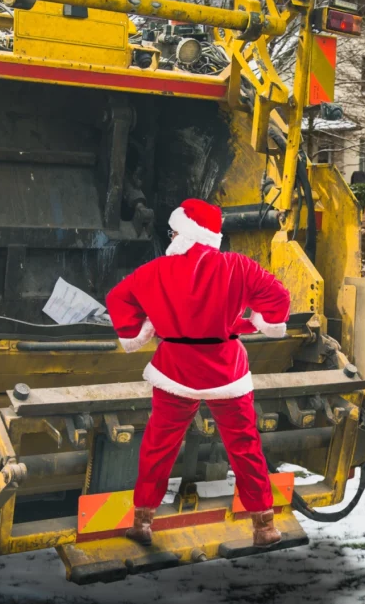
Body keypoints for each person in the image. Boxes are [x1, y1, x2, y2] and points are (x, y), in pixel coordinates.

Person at [105, 198, 291, 548]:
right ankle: (264, 526)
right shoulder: (238, 266)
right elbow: (278, 295)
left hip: (175, 372)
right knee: (245, 447)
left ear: (184, 234)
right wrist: (261, 321)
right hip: (226, 373)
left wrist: (141, 330)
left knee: (158, 447)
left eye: (174, 230)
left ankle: (143, 521)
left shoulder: (156, 270)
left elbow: (118, 298)